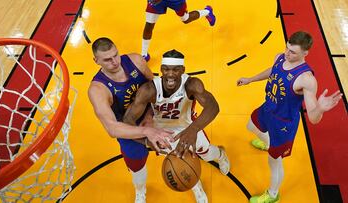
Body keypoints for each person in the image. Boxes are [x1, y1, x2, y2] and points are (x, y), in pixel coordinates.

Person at [237, 31, 343, 203]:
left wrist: (320, 109)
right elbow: (273, 71)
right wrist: (251, 79)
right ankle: (269, 144)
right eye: (287, 48)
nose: (287, 53)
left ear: (305, 53)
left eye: (293, 52)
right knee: (251, 125)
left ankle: (273, 194)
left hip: (283, 124)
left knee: (274, 161)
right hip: (268, 108)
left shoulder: (306, 79)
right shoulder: (280, 57)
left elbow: (314, 119)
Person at [123, 49, 230, 203]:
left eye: (175, 70)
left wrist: (193, 130)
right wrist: (147, 140)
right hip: (162, 132)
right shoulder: (149, 89)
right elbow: (128, 120)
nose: (170, 74)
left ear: (183, 70)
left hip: (189, 127)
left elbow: (213, 106)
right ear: (161, 70)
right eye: (166, 69)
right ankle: (196, 185)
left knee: (206, 154)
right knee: (181, 162)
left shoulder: (192, 84)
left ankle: (220, 154)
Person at [88, 37, 174, 203]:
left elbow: (155, 87)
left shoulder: (135, 60)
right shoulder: (98, 89)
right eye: (107, 59)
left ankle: (195, 183)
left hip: (153, 114)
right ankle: (140, 191)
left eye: (116, 55)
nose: (115, 62)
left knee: (181, 148)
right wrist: (146, 131)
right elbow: (112, 128)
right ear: (96, 61)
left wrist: (149, 117)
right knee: (137, 168)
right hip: (128, 130)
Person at [141, 0, 216, 61]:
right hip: (157, 2)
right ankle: (144, 54)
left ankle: (207, 12)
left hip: (175, 1)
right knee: (149, 25)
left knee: (185, 19)